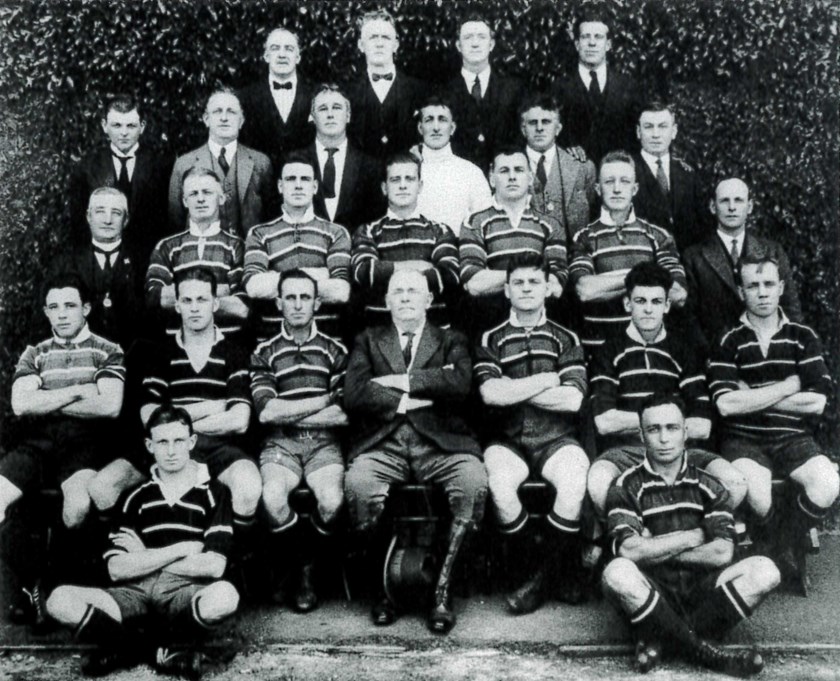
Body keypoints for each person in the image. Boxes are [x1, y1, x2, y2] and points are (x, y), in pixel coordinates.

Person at [45, 405, 239, 678]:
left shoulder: (214, 492)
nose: (171, 451)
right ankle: (151, 649)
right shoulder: (135, 496)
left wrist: (144, 554)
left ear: (192, 442)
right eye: (162, 442)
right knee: (58, 600)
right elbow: (116, 569)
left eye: (178, 441)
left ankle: (136, 645)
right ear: (150, 446)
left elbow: (214, 566)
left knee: (226, 596)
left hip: (182, 591)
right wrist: (180, 549)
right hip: (134, 592)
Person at [343, 270, 487, 634]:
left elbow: (461, 384)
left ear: (429, 300)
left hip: (441, 442)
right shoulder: (368, 339)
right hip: (384, 441)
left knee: (472, 482)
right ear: (387, 301)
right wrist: (415, 397)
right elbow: (355, 393)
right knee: (359, 485)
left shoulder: (451, 339)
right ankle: (384, 590)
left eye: (413, 291)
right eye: (398, 291)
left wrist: (398, 382)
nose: (406, 297)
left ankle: (442, 591)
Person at [602, 394, 778, 677]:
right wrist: (693, 536)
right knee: (616, 573)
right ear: (641, 436)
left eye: (672, 428)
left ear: (685, 433)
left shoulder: (710, 485)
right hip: (654, 588)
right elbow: (630, 551)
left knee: (766, 571)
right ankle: (705, 651)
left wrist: (654, 545)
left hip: (704, 591)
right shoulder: (625, 486)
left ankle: (660, 638)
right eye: (653, 429)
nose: (664, 438)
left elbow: (722, 552)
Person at [587, 262, 746, 538]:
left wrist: (657, 429)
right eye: (640, 301)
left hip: (682, 452)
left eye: (656, 301)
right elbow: (604, 421)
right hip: (627, 452)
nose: (648, 309)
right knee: (598, 482)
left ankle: (687, 540)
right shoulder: (608, 351)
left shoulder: (684, 351)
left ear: (667, 305)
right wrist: (666, 424)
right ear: (627, 303)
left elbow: (703, 425)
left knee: (735, 482)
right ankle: (634, 543)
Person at [1, 273, 125, 626]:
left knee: (77, 506)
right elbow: (21, 404)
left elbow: (109, 406)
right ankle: (29, 584)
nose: (62, 314)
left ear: (86, 308)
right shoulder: (35, 352)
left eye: (70, 305)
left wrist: (46, 398)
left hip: (83, 443)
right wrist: (79, 390)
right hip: (37, 443)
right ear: (45, 312)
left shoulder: (108, 349)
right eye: (53, 307)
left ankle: (56, 586)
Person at [708, 255, 837, 581]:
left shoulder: (802, 336)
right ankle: (783, 549)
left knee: (828, 482)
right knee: (757, 492)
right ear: (741, 291)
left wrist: (752, 395)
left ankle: (778, 546)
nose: (762, 292)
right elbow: (726, 405)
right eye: (753, 285)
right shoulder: (728, 339)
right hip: (743, 440)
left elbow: (817, 402)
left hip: (793, 437)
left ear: (781, 287)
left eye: (768, 284)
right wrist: (789, 386)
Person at [475, 254, 590, 613]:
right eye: (519, 283)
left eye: (534, 282)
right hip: (507, 439)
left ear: (547, 288)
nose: (526, 289)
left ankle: (539, 581)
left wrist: (514, 387)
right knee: (499, 485)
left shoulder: (565, 337)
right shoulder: (491, 337)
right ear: (507, 290)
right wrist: (546, 379)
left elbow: (572, 399)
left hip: (557, 438)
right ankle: (542, 569)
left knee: (575, 479)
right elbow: (490, 394)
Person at [140, 268, 261, 555]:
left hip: (220, 448)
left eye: (202, 300)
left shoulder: (234, 351)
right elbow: (148, 417)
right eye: (187, 300)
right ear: (177, 305)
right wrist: (212, 407)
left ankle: (232, 562)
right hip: (172, 447)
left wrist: (175, 416)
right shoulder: (161, 352)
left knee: (249, 486)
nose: (194, 308)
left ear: (215, 304)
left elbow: (239, 420)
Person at [250, 270, 348, 612]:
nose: (297, 304)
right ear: (278, 303)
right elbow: (267, 413)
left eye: (305, 297)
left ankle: (308, 569)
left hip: (324, 443)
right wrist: (323, 399)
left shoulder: (335, 349)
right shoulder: (264, 351)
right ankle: (296, 566)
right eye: (290, 297)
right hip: (281, 444)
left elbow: (343, 415)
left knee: (332, 500)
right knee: (273, 498)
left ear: (317, 303)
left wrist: (290, 412)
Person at [569, 150, 686, 349]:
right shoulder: (584, 237)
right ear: (598, 189)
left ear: (635, 188)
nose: (617, 189)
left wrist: (607, 283)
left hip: (650, 350)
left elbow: (678, 294)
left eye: (624, 181)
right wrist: (645, 278)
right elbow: (585, 290)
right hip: (599, 350)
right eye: (609, 182)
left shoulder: (659, 236)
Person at [683, 177, 802, 350]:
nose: (732, 207)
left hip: (767, 353)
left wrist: (785, 351)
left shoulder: (772, 251)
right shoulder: (694, 257)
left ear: (750, 206)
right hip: (716, 355)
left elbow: (790, 306)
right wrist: (713, 355)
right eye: (725, 201)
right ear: (713, 207)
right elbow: (689, 318)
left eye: (738, 200)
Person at [243, 152, 351, 342]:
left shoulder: (336, 233)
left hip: (327, 341)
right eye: (291, 179)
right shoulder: (259, 234)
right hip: (272, 340)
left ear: (315, 187)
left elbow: (341, 291)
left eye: (305, 179)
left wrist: (275, 277)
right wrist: (322, 274)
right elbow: (254, 287)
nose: (298, 185)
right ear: (280, 186)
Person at [460, 145, 567, 336]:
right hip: (489, 327)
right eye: (504, 171)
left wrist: (499, 279)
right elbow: (475, 283)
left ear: (530, 178)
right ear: (492, 179)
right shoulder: (474, 222)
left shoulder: (550, 225)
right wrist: (533, 278)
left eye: (518, 170)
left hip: (540, 329)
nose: (512, 177)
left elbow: (555, 285)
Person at [351, 152, 459, 328]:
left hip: (434, 334)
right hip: (380, 333)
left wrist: (387, 269)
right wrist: (422, 266)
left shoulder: (440, 230)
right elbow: (364, 273)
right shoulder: (367, 231)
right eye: (395, 180)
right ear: (384, 188)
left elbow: (449, 276)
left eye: (409, 179)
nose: (402, 185)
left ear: (420, 186)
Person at [67, 94, 172, 269]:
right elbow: (79, 224)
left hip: (149, 262)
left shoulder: (161, 166)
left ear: (142, 127)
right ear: (104, 126)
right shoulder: (87, 168)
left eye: (131, 126)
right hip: (101, 264)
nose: (124, 133)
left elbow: (169, 221)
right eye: (116, 125)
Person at [147, 167, 249, 337]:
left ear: (221, 198)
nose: (200, 199)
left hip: (227, 341)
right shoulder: (167, 247)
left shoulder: (237, 246)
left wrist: (183, 297)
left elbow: (241, 308)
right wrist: (220, 291)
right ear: (184, 201)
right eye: (193, 194)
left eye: (207, 192)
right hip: (177, 343)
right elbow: (156, 299)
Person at [168, 87, 275, 237]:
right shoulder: (184, 164)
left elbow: (270, 218)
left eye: (231, 112)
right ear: (206, 119)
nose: (224, 118)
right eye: (217, 111)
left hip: (250, 249)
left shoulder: (260, 163)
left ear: (241, 121)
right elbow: (175, 222)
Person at [60, 187, 146, 351]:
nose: (108, 220)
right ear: (88, 216)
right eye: (100, 212)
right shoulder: (66, 263)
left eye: (116, 213)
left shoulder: (142, 263)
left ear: (126, 220)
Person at [551, 10, 641, 164]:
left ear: (608, 45)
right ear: (577, 44)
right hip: (575, 172)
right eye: (586, 37)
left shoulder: (628, 87)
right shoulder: (558, 89)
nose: (592, 43)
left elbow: (638, 137)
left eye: (598, 37)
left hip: (617, 173)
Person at [293, 83, 385, 232]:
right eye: (323, 109)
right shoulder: (294, 162)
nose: (330, 114)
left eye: (336, 108)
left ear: (348, 116)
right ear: (312, 117)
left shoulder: (370, 166)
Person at [442, 15, 526, 173]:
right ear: (458, 45)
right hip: (458, 177)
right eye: (468, 38)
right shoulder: (444, 91)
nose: (475, 44)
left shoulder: (514, 90)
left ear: (491, 44)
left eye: (481, 37)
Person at [346, 9, 425, 160]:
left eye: (386, 38)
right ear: (361, 45)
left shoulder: (419, 91)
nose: (379, 43)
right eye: (373, 37)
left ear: (396, 45)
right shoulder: (347, 93)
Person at [632, 99, 710, 251]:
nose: (656, 134)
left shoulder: (688, 175)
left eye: (662, 127)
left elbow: (702, 228)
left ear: (674, 131)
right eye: (648, 127)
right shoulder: (627, 173)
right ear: (638, 132)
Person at [520, 93, 596, 243]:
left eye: (546, 122)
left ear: (558, 128)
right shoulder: (509, 167)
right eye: (533, 123)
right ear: (523, 129)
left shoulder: (582, 168)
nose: (539, 128)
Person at [238, 27, 315, 173]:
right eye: (275, 48)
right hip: (259, 179)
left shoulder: (314, 96)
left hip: (302, 180)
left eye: (289, 49)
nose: (282, 55)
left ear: (298, 57)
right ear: (266, 56)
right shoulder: (245, 97)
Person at [413, 95, 492, 237]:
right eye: (429, 120)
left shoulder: (471, 173)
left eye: (442, 120)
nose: (436, 128)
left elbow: (485, 224)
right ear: (420, 128)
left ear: (452, 128)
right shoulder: (408, 173)